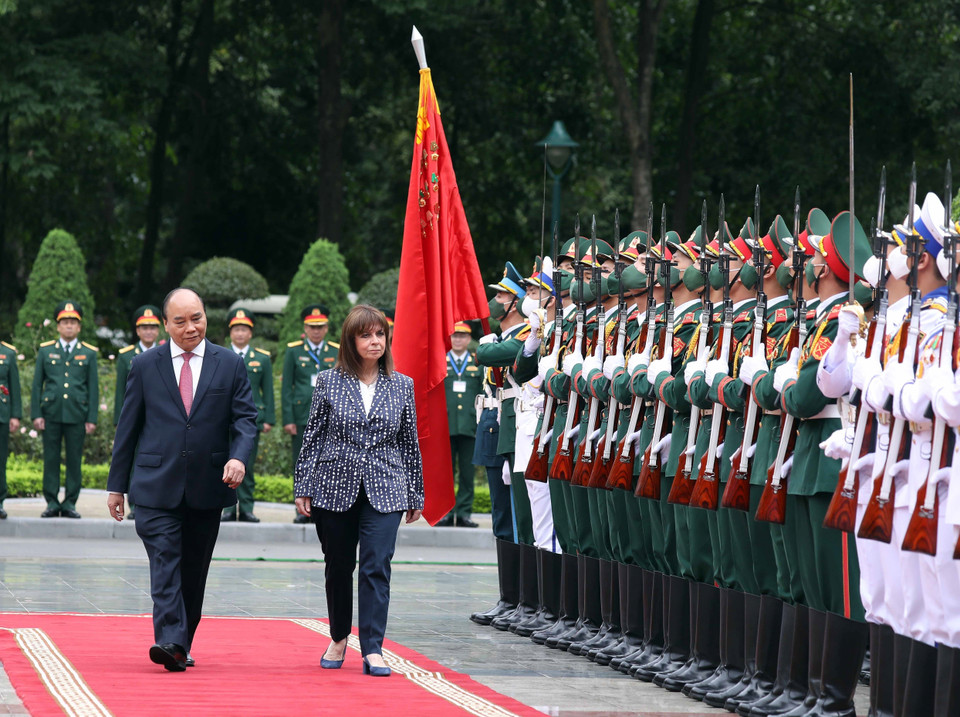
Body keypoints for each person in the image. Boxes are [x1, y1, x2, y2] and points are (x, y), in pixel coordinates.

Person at [106, 287, 258, 672]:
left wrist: (239, 457)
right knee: (165, 560)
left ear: (206, 316)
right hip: (155, 485)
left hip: (208, 485)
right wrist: (116, 485)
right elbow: (128, 427)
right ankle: (170, 640)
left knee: (193, 570)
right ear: (165, 324)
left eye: (197, 318)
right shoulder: (145, 365)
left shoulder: (229, 364)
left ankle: (181, 643)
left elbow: (245, 420)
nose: (191, 327)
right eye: (181, 321)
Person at [294, 304, 423, 677]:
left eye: (380, 334)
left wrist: (415, 493)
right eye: (365, 335)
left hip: (386, 486)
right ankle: (338, 637)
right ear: (351, 341)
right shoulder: (328, 381)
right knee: (338, 567)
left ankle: (373, 648)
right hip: (334, 486)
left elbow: (409, 443)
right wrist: (303, 485)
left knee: (376, 567)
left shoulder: (402, 384)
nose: (374, 341)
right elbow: (313, 437)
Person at [33, 301, 98, 518]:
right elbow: (36, 386)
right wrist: (36, 414)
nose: (69, 326)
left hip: (77, 414)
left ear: (79, 327)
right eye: (65, 322)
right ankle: (52, 502)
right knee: (50, 458)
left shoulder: (88, 353)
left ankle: (70, 502)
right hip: (51, 413)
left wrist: (92, 417)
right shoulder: (46, 351)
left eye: (73, 323)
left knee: (74, 460)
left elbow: (93, 388)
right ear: (58, 326)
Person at [283, 303, 338, 523]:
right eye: (312, 327)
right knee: (301, 461)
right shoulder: (294, 350)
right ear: (305, 328)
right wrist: (288, 419)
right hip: (302, 417)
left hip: (330, 417)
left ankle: (323, 507)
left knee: (327, 462)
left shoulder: (335, 350)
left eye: (320, 327)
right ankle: (301, 509)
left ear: (326, 328)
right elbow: (287, 387)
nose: (316, 331)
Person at [221, 308, 275, 523]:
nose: (240, 334)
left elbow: (268, 390)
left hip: (251, 420)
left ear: (250, 333)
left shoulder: (261, 358)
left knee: (247, 465)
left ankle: (246, 508)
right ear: (230, 333)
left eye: (244, 330)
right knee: (225, 463)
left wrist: (269, 418)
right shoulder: (220, 355)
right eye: (236, 330)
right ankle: (226, 508)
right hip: (223, 418)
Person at [114, 304, 163, 520]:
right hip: (135, 416)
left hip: (159, 417)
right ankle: (135, 503)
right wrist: (119, 421)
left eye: (153, 327)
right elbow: (119, 393)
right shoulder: (127, 356)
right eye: (145, 327)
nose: (149, 331)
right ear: (137, 330)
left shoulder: (167, 353)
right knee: (134, 459)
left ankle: (155, 501)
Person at [437, 321, 482, 527]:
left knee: (467, 471)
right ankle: (444, 512)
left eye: (462, 336)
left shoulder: (476, 362)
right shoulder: (441, 362)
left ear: (468, 338)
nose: (458, 339)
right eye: (454, 336)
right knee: (444, 473)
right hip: (444, 425)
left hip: (469, 426)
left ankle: (464, 513)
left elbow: (482, 394)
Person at [0, 339, 22, 520]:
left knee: (0, 461)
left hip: (1, 414)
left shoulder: (8, 353)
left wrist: (15, 415)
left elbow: (14, 386)